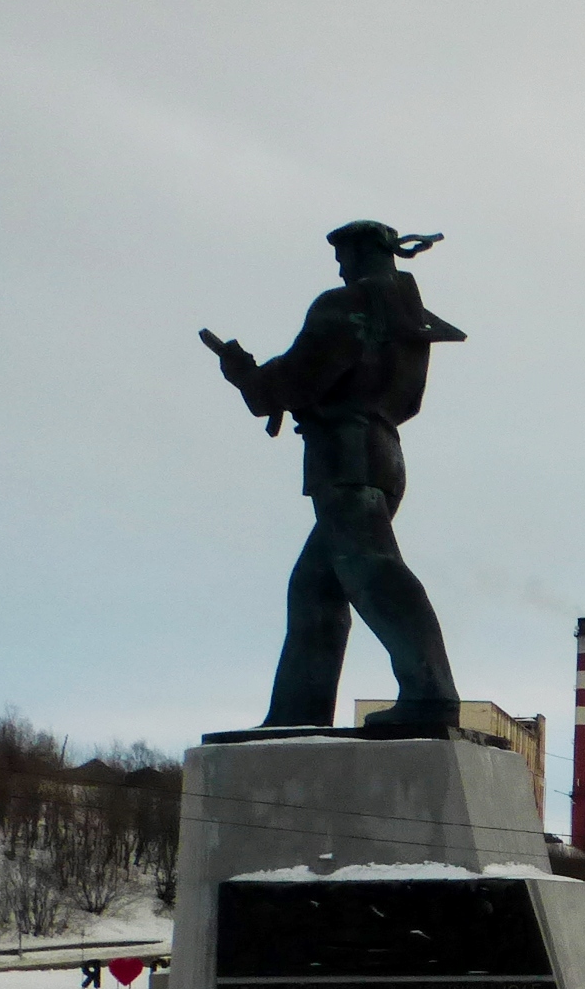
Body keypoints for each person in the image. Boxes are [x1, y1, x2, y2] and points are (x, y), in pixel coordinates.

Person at [200, 223, 468, 730]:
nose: (340, 268)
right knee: (315, 589)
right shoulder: (409, 320)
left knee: (372, 571)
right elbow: (401, 399)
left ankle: (430, 695)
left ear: (362, 256)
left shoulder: (342, 306)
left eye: (343, 257)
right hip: (384, 454)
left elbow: (295, 379)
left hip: (346, 459)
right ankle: (296, 715)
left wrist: (247, 378)